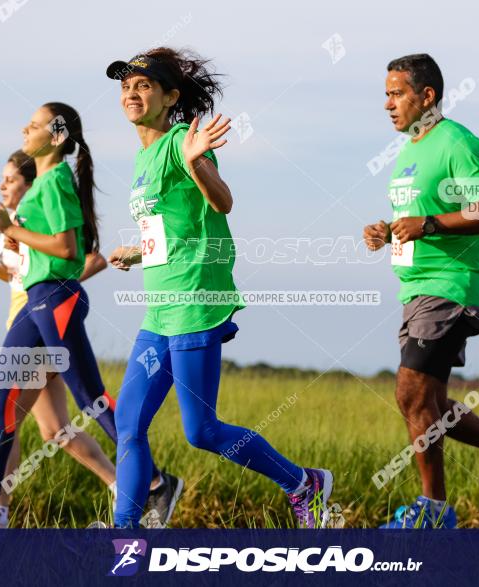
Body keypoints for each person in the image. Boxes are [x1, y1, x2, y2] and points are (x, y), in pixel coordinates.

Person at [104, 48, 333, 529]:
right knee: (128, 424)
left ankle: (302, 484)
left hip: (195, 301)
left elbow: (223, 201)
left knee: (202, 430)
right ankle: (124, 538)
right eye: (126, 85)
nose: (131, 92)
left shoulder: (183, 142)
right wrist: (137, 251)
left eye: (144, 85)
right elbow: (177, 228)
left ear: (170, 97)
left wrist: (197, 162)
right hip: (160, 309)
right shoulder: (144, 156)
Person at [0, 105, 181, 528]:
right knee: (1, 396)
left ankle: (157, 485)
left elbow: (69, 251)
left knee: (90, 399)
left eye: (32, 125)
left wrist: (11, 230)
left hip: (57, 299)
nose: (24, 129)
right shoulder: (44, 185)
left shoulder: (55, 181)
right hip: (37, 302)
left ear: (55, 138)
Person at [363, 54, 479, 529]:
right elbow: (420, 219)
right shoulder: (408, 152)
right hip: (417, 287)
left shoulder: (457, 142)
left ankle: (434, 512)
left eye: (397, 93)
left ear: (427, 96)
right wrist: (388, 231)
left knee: (410, 394)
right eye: (386, 94)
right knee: (427, 402)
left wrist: (426, 224)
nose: (387, 104)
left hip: (453, 284)